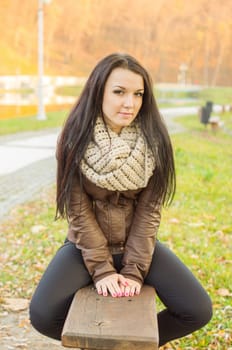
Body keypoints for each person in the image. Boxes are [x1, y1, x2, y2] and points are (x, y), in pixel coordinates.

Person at [29, 53, 212, 347]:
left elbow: (149, 213)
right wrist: (101, 270)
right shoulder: (73, 138)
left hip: (137, 246)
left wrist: (134, 271)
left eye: (138, 94)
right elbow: (77, 210)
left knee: (197, 310)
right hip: (84, 245)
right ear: (98, 91)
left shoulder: (155, 141)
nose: (130, 103)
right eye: (119, 92)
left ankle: (127, 344)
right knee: (42, 314)